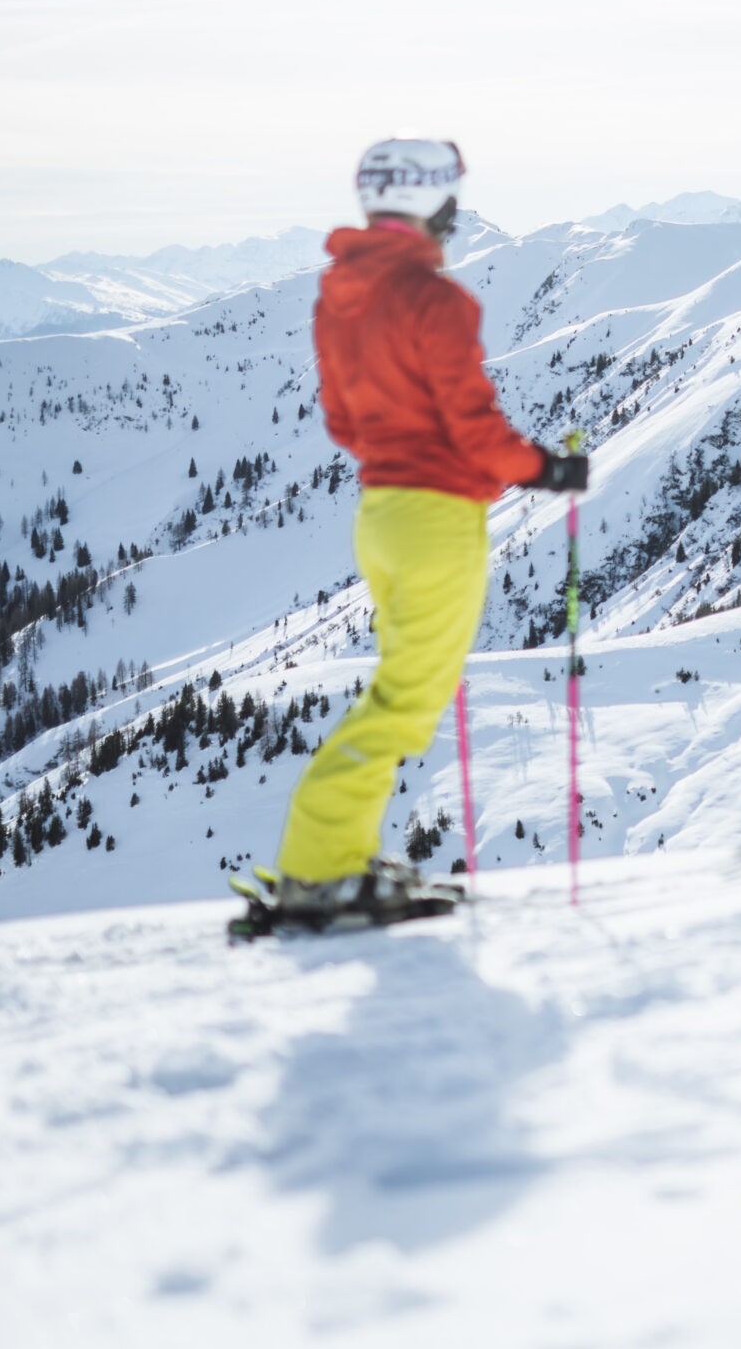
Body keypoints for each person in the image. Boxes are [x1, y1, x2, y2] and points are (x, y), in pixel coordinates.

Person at [269, 136, 587, 924]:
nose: (455, 220)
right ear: (430, 206)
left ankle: (340, 858)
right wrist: (544, 469)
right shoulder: (436, 301)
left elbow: (344, 419)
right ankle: (317, 870)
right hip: (437, 517)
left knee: (397, 690)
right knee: (407, 703)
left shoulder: (340, 296)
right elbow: (472, 423)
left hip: (380, 512)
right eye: (450, 204)